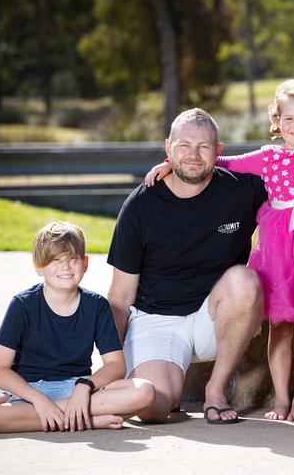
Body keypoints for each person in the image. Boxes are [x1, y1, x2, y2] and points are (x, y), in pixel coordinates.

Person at [144, 80, 294, 421]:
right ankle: (282, 400)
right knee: (281, 327)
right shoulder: (268, 157)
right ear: (277, 121)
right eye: (288, 119)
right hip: (279, 252)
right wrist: (171, 163)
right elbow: (220, 161)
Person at [107, 108, 268, 424]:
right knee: (153, 406)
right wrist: (110, 369)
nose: (193, 155)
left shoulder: (242, 190)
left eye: (203, 147)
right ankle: (154, 384)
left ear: (218, 152)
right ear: (168, 148)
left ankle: (216, 390)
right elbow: (119, 297)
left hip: (213, 317)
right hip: (156, 320)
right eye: (184, 146)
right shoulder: (141, 205)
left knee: (244, 280)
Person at [0, 221, 155, 433]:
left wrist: (84, 387)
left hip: (74, 388)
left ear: (85, 263)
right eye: (55, 260)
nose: (65, 267)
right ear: (39, 266)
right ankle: (84, 420)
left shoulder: (96, 305)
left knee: (144, 391)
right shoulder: (23, 304)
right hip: (26, 391)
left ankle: (61, 416)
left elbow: (116, 365)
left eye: (73, 259)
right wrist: (38, 400)